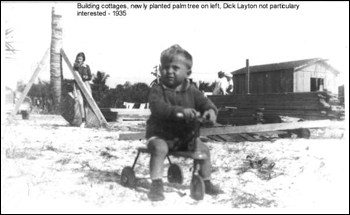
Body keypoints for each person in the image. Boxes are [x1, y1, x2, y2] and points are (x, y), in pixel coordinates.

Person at [146, 44, 224, 201]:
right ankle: (156, 184)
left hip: (184, 138)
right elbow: (158, 108)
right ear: (160, 69)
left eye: (175, 68)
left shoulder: (192, 90)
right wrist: (180, 111)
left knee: (204, 150)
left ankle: (206, 181)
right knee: (159, 149)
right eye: (166, 67)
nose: (169, 71)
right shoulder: (158, 89)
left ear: (187, 73)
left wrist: (210, 112)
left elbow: (206, 103)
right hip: (161, 135)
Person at [72, 52, 92, 128]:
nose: (79, 60)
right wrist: (76, 65)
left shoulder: (86, 66)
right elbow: (74, 72)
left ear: (83, 59)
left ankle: (87, 120)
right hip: (77, 85)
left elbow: (90, 77)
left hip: (85, 85)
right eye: (78, 59)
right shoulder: (75, 66)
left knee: (86, 104)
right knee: (80, 103)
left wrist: (85, 77)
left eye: (80, 59)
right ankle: (83, 120)